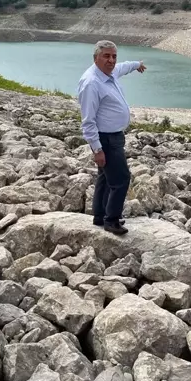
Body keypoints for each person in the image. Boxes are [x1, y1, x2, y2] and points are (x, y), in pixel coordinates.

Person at [77, 40, 147, 235]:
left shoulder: (110, 72)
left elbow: (123, 68)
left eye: (114, 56)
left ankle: (100, 216)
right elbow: (88, 121)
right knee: (121, 179)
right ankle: (112, 220)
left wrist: (136, 65)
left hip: (114, 136)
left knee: (105, 178)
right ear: (96, 58)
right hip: (105, 138)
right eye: (106, 56)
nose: (111, 60)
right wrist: (97, 149)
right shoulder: (92, 82)